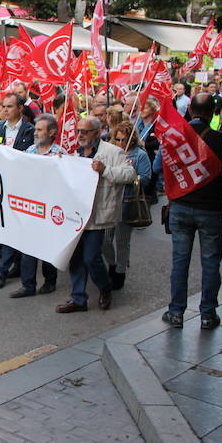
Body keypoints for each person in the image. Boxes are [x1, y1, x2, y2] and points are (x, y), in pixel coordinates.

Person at [56, 116, 135, 314]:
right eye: (79, 131)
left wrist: (106, 170)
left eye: (86, 131)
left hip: (98, 215)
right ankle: (78, 298)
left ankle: (105, 287)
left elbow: (129, 175)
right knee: (75, 257)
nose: (80, 135)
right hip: (76, 214)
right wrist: (61, 163)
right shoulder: (75, 152)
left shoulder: (113, 152)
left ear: (98, 132)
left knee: (92, 257)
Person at [163, 93, 222, 330]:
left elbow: (162, 166)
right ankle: (208, 314)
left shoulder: (176, 137)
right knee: (210, 263)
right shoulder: (221, 140)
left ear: (190, 110)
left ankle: (176, 312)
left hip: (181, 205)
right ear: (213, 113)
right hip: (210, 210)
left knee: (180, 261)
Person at [9, 114, 63, 297]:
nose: (36, 133)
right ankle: (28, 285)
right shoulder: (30, 150)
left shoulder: (60, 154)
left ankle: (50, 281)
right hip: (30, 206)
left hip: (48, 207)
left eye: (40, 129)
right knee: (27, 248)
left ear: (52, 132)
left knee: (46, 247)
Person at [0, 94, 35, 288]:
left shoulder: (29, 130)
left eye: (9, 107)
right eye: (3, 107)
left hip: (21, 186)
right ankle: (12, 266)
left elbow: (31, 156)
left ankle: (3, 270)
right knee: (6, 228)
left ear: (20, 108)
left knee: (16, 227)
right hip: (1, 185)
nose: (5, 110)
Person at [103, 121, 151, 290]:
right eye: (118, 139)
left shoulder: (140, 155)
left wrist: (128, 177)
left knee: (122, 241)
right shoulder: (111, 153)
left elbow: (146, 177)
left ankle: (120, 272)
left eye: (125, 140)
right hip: (109, 201)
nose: (121, 143)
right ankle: (112, 264)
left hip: (127, 202)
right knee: (105, 240)